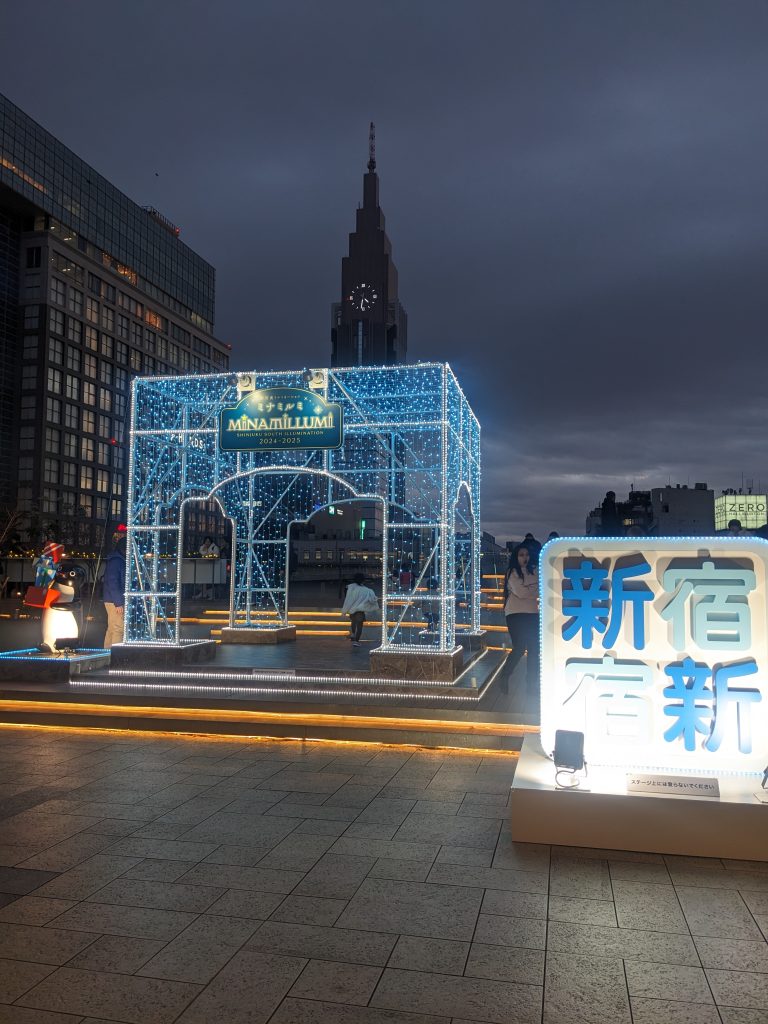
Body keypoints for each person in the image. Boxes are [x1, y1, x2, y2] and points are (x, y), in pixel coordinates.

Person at [501, 543, 540, 694]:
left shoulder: (536, 570)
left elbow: (538, 589)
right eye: (521, 555)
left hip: (532, 613)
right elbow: (522, 593)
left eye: (527, 554)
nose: (525, 558)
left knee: (534, 650)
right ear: (516, 557)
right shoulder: (512, 572)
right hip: (515, 614)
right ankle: (505, 675)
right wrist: (533, 588)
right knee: (519, 648)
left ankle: (531, 684)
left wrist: (528, 588)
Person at [102, 525, 127, 649]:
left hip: (111, 599)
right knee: (118, 629)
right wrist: (118, 603)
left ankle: (107, 654)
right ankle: (115, 655)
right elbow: (113, 582)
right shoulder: (118, 561)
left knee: (112, 628)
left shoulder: (115, 559)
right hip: (114, 601)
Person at [341, 572, 379, 647]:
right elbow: (372, 600)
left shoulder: (350, 587)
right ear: (363, 580)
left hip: (352, 610)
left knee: (353, 622)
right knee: (359, 626)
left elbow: (346, 595)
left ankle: (353, 634)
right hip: (360, 611)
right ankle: (356, 641)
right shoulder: (367, 590)